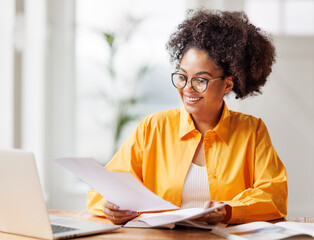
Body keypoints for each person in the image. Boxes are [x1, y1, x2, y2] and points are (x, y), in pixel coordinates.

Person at [87, 9, 287, 225]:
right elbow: (104, 190)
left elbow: (273, 197)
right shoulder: (154, 127)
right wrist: (111, 206)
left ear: (227, 84)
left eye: (200, 80)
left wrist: (228, 211)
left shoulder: (252, 131)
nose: (187, 89)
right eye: (182, 77)